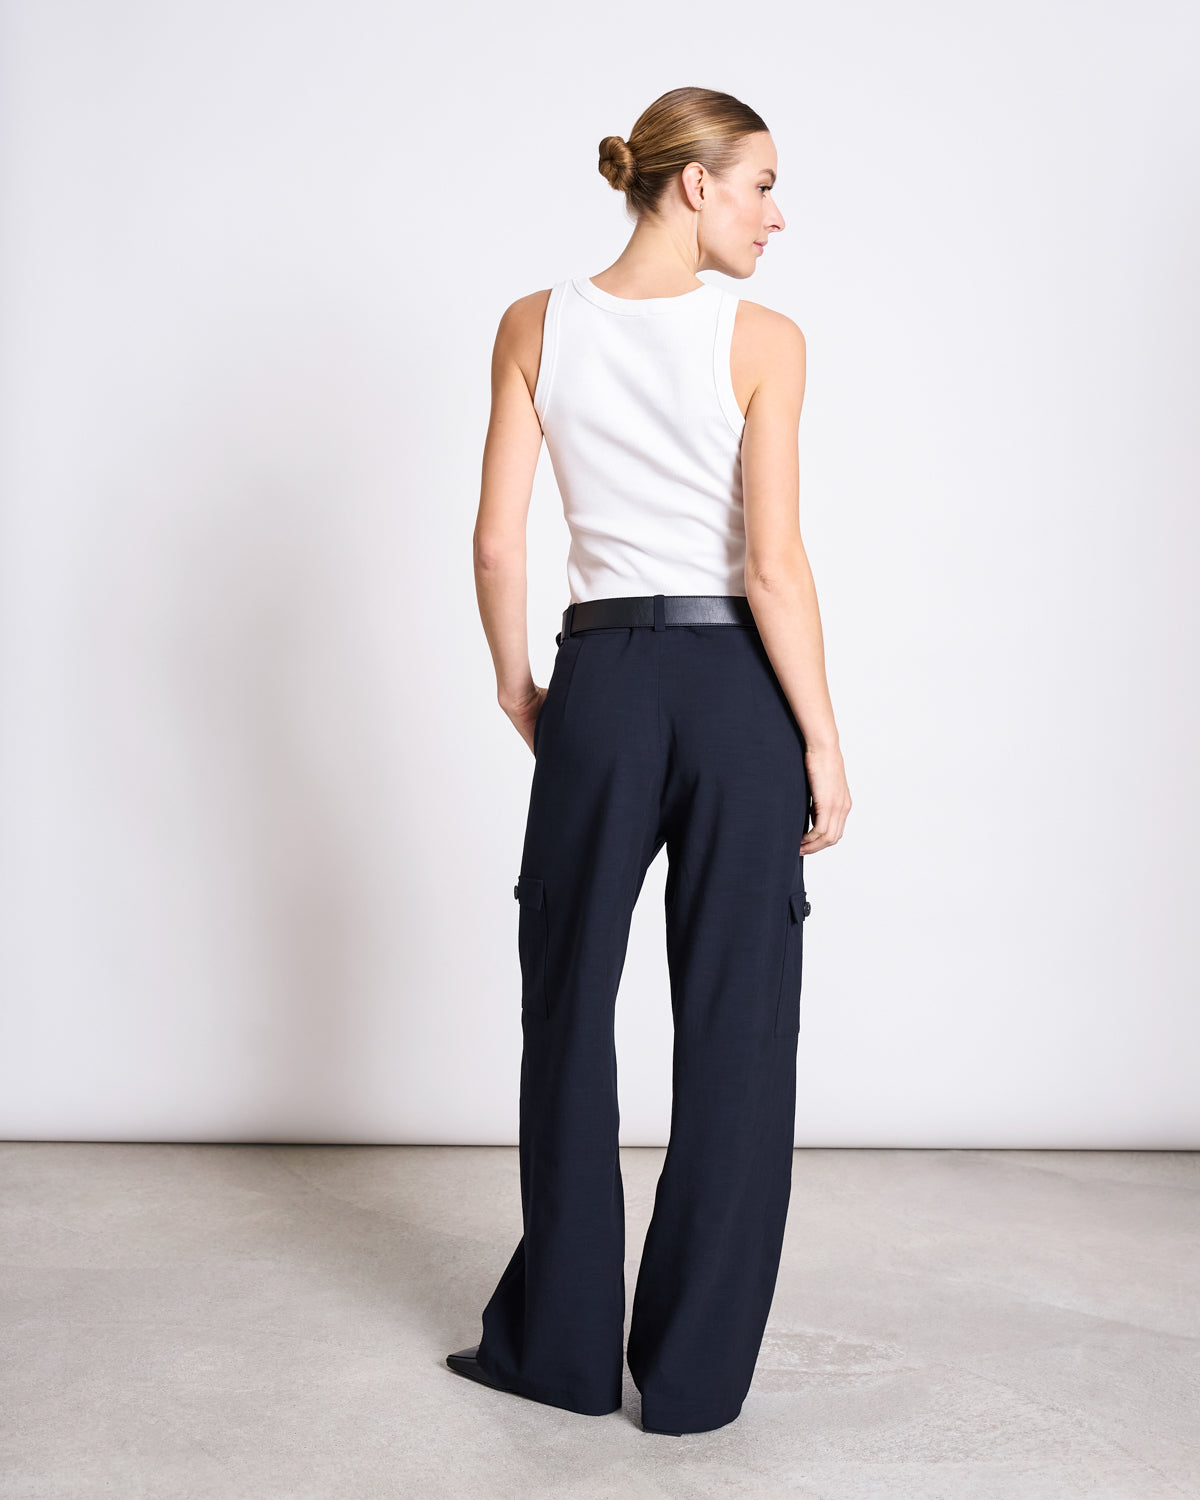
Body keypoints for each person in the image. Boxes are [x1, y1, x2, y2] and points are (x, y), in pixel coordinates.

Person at [447, 85, 852, 1436]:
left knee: (564, 1008)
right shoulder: (766, 341)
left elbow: (500, 544)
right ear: (693, 187)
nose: (776, 212)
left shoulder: (533, 323)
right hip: (737, 687)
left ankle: (558, 1353)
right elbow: (774, 565)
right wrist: (823, 740)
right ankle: (689, 1383)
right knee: (738, 1026)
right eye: (760, 186)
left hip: (603, 680)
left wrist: (522, 687)